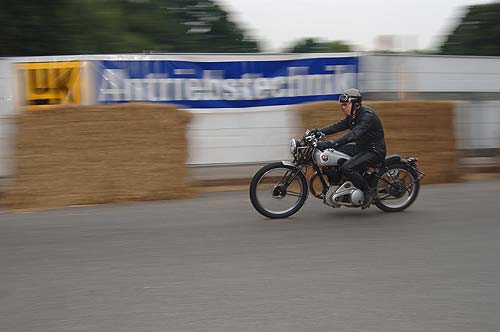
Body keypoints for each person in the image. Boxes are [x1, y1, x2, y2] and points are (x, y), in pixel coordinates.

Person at [315, 88, 386, 209]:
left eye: (345, 104)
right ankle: (338, 185)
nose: (343, 107)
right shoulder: (352, 116)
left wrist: (331, 143)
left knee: (347, 167)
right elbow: (337, 126)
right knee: (333, 154)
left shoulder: (367, 116)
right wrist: (317, 131)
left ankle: (368, 191)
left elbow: (353, 135)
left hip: (374, 150)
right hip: (361, 147)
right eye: (342, 105)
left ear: (356, 104)